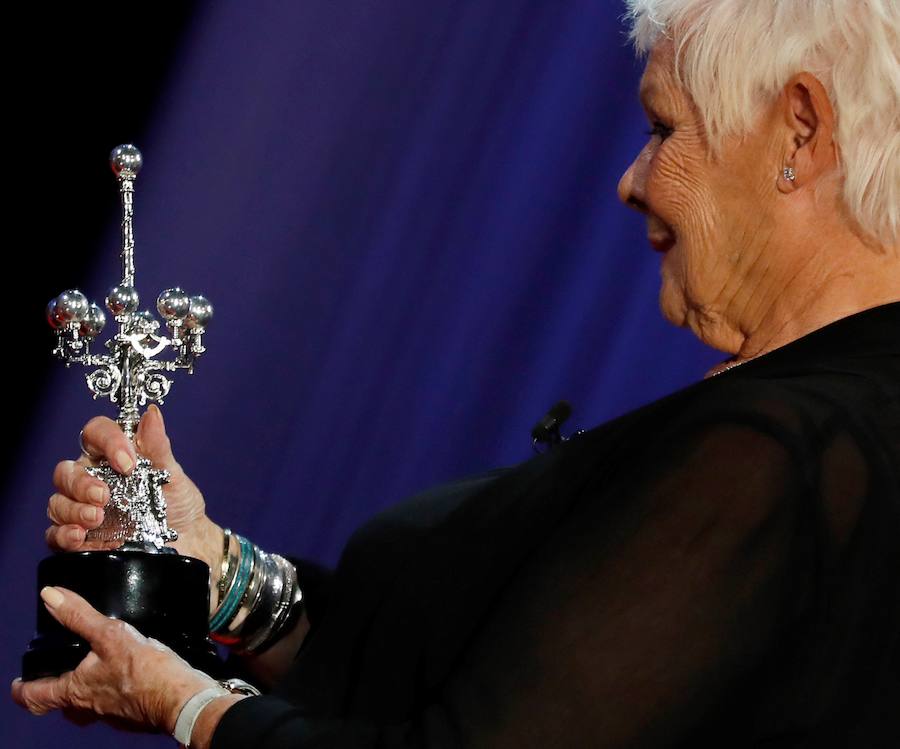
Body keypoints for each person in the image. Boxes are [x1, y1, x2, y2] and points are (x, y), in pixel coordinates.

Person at [13, 1, 900, 746]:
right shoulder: (799, 423)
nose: (632, 182)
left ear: (802, 128)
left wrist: (189, 705)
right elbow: (453, 661)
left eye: (664, 128)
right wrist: (220, 572)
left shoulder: (782, 452)